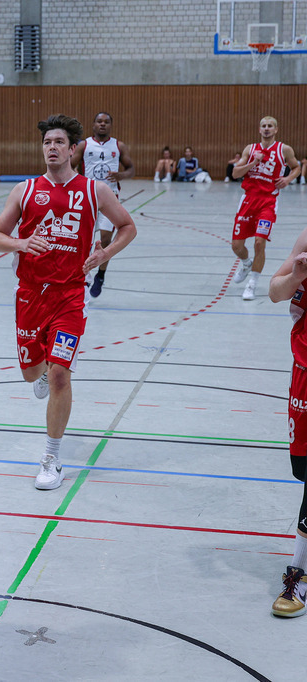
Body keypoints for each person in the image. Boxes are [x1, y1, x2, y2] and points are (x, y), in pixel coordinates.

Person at [0, 114, 136, 491]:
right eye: (46, 142)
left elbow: (128, 226)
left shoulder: (94, 190)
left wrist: (106, 255)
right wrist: (21, 244)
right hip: (29, 295)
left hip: (71, 294)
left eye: (58, 142)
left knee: (59, 374)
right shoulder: (24, 190)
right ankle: (37, 372)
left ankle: (52, 458)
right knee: (32, 373)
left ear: (73, 149)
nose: (51, 147)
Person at [267, 227, 307, 619]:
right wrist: (296, 274)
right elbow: (275, 291)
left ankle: (298, 572)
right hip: (304, 371)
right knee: (303, 469)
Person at [230, 116, 300, 301]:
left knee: (259, 243)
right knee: (237, 246)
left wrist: (287, 179)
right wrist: (253, 162)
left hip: (268, 201)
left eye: (270, 126)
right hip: (248, 200)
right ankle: (246, 263)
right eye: (264, 126)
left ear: (276, 129)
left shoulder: (284, 149)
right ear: (259, 130)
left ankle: (252, 284)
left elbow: (296, 167)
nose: (267, 129)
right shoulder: (250, 149)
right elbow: (235, 173)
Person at [72, 112, 135, 298]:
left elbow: (131, 169)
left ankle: (100, 274)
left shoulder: (118, 146)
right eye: (99, 121)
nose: (102, 124)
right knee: (81, 239)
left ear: (111, 125)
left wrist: (121, 175)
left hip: (109, 198)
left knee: (106, 239)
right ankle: (80, 274)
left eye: (106, 122)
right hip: (87, 197)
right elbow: (70, 166)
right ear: (93, 124)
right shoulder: (84, 145)